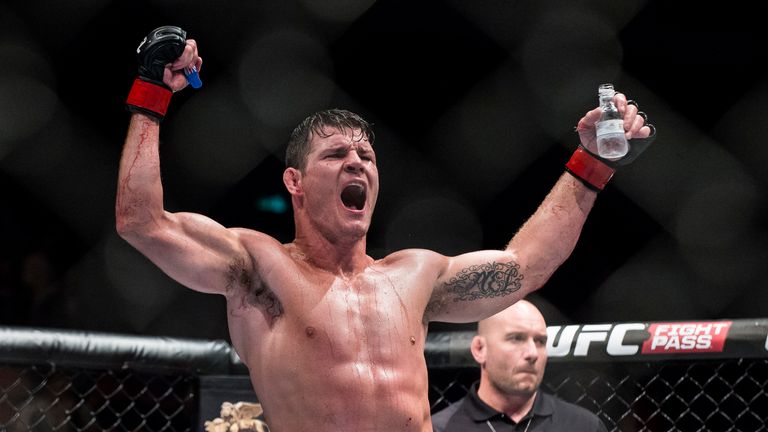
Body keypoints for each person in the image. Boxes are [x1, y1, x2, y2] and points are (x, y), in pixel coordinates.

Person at [115, 26, 654, 432]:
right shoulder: (258, 268)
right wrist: (150, 93)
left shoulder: (413, 275)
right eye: (336, 154)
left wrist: (591, 164)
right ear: (295, 182)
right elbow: (142, 221)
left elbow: (526, 266)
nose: (357, 163)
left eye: (366, 155)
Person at [431, 300, 608, 432]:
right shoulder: (441, 428)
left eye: (540, 341)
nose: (532, 353)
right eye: (516, 338)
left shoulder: (584, 426)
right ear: (480, 349)